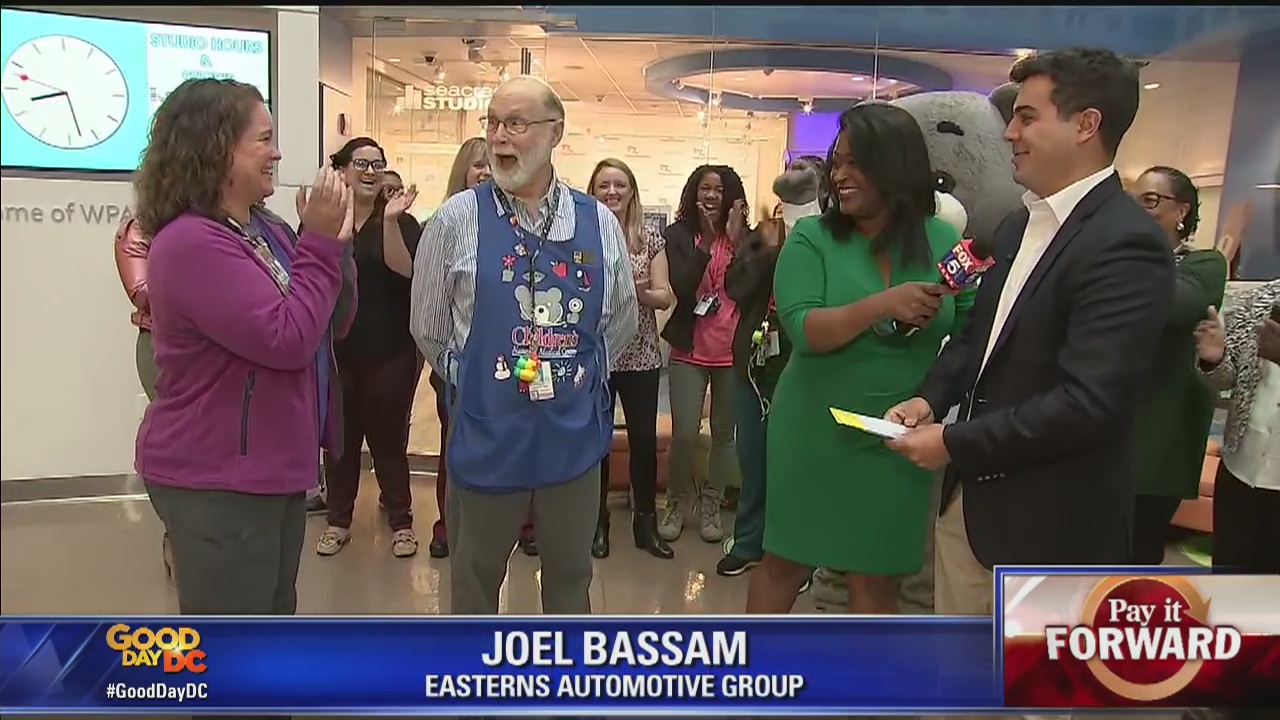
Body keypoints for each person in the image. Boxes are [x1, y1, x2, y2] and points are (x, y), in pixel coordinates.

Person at [885, 48, 1174, 622]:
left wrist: (952, 443)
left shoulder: (1126, 243)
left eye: (1027, 117)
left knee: (1031, 701)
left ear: (1086, 124)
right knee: (962, 687)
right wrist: (930, 397)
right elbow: (977, 336)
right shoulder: (1017, 225)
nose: (1010, 133)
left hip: (1052, 525)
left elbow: (1090, 404)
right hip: (970, 511)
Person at [410, 76, 638, 615]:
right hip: (490, 433)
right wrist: (474, 379)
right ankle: (477, 693)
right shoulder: (457, 219)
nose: (499, 137)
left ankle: (565, 693)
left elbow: (621, 317)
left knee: (569, 580)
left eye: (515, 123)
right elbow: (428, 323)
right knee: (474, 581)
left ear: (555, 132)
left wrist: (577, 376)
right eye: (492, 123)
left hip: (572, 439)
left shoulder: (597, 222)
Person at [134, 78, 354, 615]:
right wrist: (320, 242)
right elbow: (288, 339)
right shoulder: (189, 243)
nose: (277, 152)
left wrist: (336, 246)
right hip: (217, 479)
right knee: (236, 650)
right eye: (263, 138)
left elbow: (332, 322)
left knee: (273, 618)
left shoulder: (265, 228)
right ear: (216, 149)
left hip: (272, 470)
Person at [745, 103, 974, 615]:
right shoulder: (812, 238)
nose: (840, 176)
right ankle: (751, 681)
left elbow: (973, 328)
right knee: (785, 561)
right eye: (837, 162)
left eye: (856, 163)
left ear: (895, 165)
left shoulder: (944, 241)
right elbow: (804, 329)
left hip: (899, 433)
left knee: (878, 573)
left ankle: (867, 689)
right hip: (813, 429)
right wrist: (883, 305)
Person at [716, 157, 823, 579]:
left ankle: (798, 558)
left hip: (809, 367)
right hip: (756, 365)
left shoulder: (830, 238)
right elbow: (734, 287)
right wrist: (766, 249)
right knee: (753, 458)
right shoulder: (765, 236)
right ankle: (749, 542)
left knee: (799, 467)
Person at [316, 137, 422, 559]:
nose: (370, 170)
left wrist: (393, 222)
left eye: (378, 164)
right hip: (339, 352)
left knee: (388, 439)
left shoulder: (401, 221)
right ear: (341, 170)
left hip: (391, 350)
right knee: (339, 442)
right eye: (360, 163)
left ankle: (401, 521)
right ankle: (338, 521)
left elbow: (406, 273)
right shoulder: (323, 220)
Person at [1128, 166, 1227, 564]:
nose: (1140, 210)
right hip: (1107, 424)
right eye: (1135, 202)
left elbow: (1172, 306)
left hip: (1162, 432)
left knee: (1138, 550)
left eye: (1151, 200)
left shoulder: (1205, 264)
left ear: (1181, 211)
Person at [588, 158, 675, 560]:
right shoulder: (581, 234)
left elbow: (664, 296)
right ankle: (596, 524)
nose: (612, 192)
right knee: (595, 443)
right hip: (597, 355)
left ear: (631, 191)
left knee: (642, 440)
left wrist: (631, 290)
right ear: (593, 191)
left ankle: (645, 523)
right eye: (604, 185)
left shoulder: (649, 237)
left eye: (619, 184)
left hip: (639, 354)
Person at [658, 164, 749, 544]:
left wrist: (737, 238)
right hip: (689, 347)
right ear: (693, 194)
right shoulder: (678, 236)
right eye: (704, 189)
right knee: (683, 434)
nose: (710, 196)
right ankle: (678, 501)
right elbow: (680, 285)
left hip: (732, 350)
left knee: (725, 436)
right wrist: (707, 245)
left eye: (718, 190)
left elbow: (747, 287)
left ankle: (713, 501)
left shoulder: (746, 238)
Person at [425, 136, 503, 558]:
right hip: (459, 367)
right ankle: (448, 523)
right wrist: (450, 364)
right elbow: (429, 311)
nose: (486, 171)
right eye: (478, 165)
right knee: (456, 447)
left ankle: (521, 523)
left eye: (493, 163)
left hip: (514, 364)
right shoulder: (447, 222)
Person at [1193, 280, 1279, 575]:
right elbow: (1227, 380)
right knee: (1229, 577)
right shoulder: (1257, 300)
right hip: (1239, 469)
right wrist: (1214, 359)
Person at [113, 215, 176, 579]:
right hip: (161, 343)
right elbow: (144, 292)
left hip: (219, 345)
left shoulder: (223, 217)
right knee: (175, 443)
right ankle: (176, 533)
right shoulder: (141, 226)